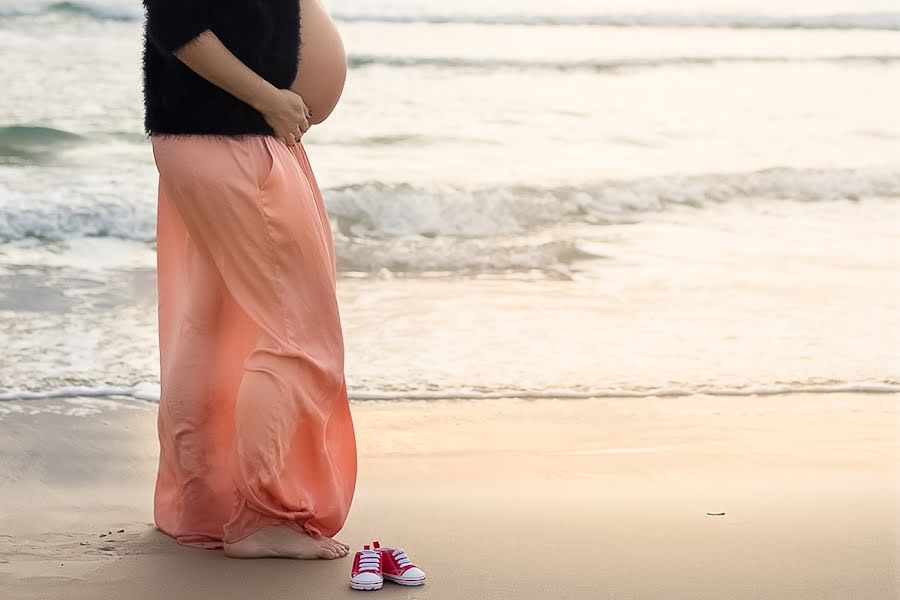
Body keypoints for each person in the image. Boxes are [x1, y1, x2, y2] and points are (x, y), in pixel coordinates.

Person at [142, 0, 356, 560]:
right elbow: (177, 23)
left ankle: (203, 503)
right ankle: (266, 517)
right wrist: (270, 99)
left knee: (207, 323)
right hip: (233, 140)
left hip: (209, 138)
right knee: (298, 335)